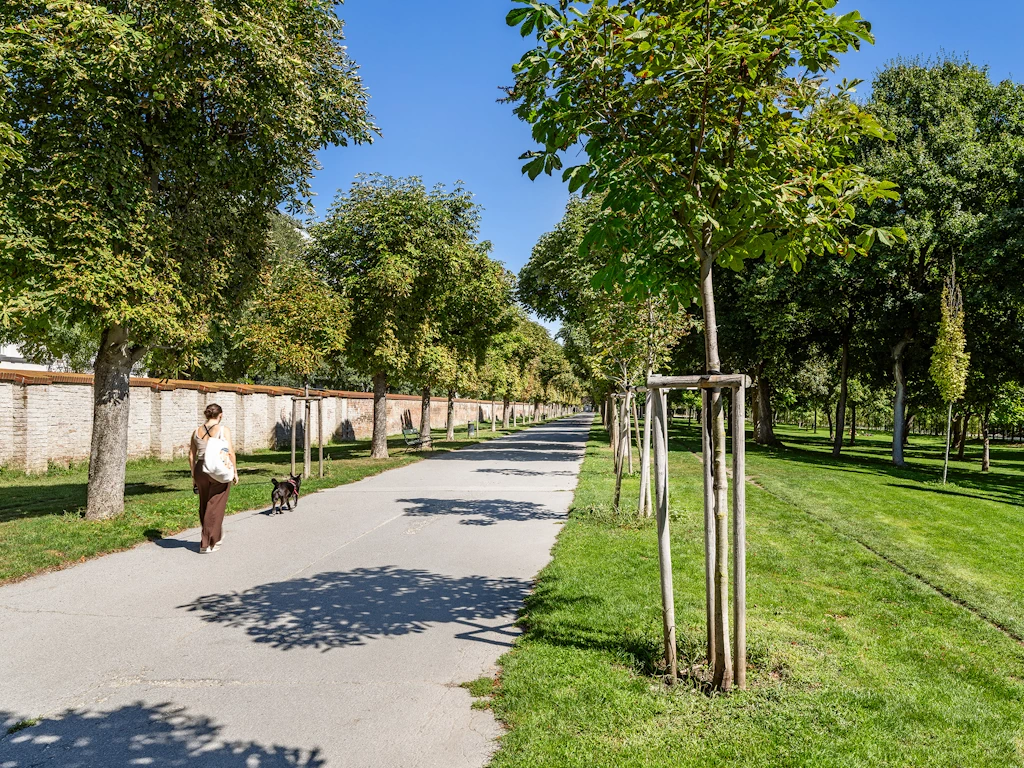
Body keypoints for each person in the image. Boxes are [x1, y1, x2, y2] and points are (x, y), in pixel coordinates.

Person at [189, 403, 238, 553]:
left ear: (206, 414)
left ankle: (211, 534)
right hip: (218, 469)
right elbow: (230, 452)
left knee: (204, 504)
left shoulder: (196, 432)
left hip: (200, 469)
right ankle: (210, 542)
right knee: (216, 504)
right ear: (220, 415)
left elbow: (191, 455)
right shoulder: (224, 430)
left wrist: (193, 475)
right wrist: (235, 471)